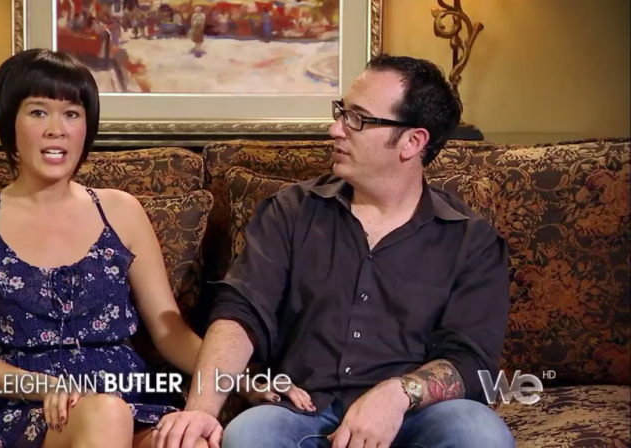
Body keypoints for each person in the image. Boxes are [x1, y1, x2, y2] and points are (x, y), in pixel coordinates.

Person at [0, 48, 307, 448]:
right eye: (38, 112)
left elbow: (171, 334)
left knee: (190, 443)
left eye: (72, 114)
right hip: (24, 405)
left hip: (127, 397)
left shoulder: (121, 212)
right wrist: (49, 387)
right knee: (106, 414)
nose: (56, 129)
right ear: (9, 121)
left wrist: (243, 379)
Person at [153, 54, 516, 448]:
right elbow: (241, 314)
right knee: (249, 433)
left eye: (357, 119)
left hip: (414, 417)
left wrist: (398, 394)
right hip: (304, 413)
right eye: (342, 112)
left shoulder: (471, 240)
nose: (335, 129)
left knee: (480, 434)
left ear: (412, 142)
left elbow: (471, 361)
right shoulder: (291, 211)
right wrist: (202, 411)